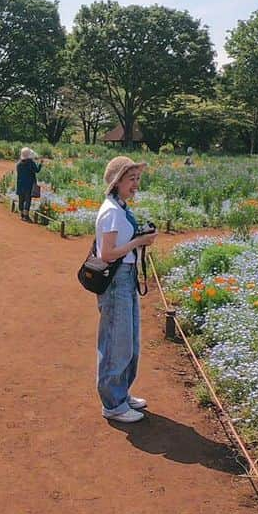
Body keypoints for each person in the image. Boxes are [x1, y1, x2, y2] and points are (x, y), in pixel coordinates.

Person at [95, 156, 158, 423]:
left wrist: (138, 238)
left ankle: (122, 394)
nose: (136, 184)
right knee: (116, 342)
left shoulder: (119, 207)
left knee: (129, 341)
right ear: (117, 181)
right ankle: (113, 404)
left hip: (126, 277)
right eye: (131, 179)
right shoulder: (111, 211)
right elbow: (107, 253)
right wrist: (138, 242)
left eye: (137, 179)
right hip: (116, 280)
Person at [15, 147, 42, 222]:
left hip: (20, 183)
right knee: (27, 199)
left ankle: (22, 214)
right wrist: (40, 164)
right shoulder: (30, 163)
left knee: (21, 199)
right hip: (29, 184)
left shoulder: (19, 163)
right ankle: (26, 215)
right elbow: (37, 170)